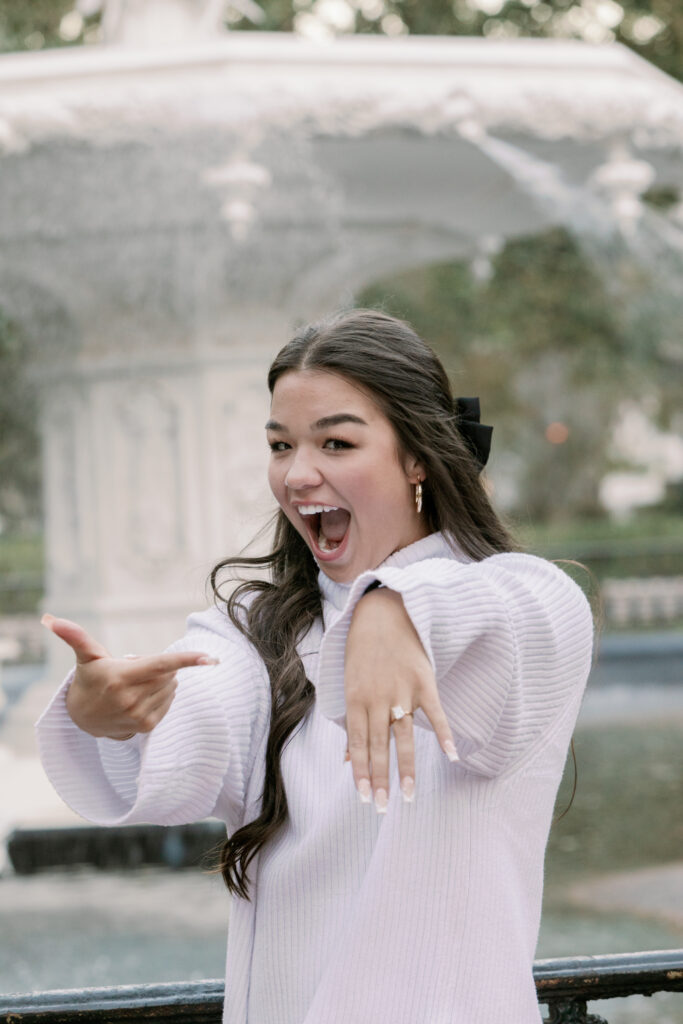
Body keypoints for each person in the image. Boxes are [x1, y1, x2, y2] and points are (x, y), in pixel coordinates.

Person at [37, 308, 593, 1024]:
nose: (298, 474)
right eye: (280, 445)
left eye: (336, 442)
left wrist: (392, 607)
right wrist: (112, 716)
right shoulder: (256, 635)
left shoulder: (511, 607)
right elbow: (202, 703)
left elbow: (528, 604)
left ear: (418, 455)